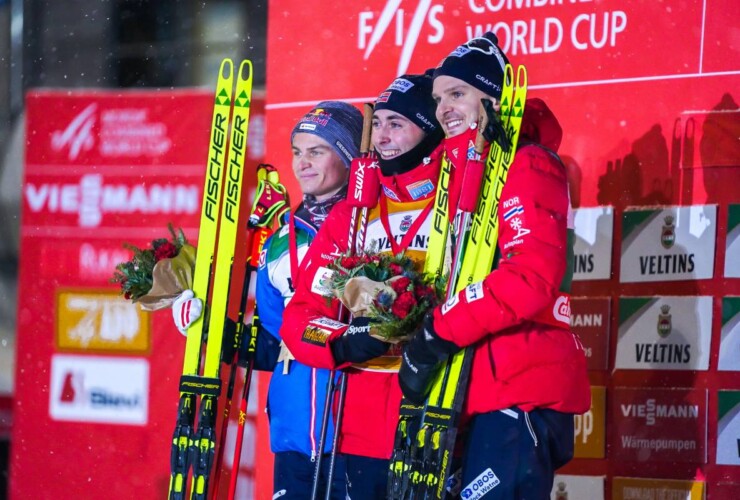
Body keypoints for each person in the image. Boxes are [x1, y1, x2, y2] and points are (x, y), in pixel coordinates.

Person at [397, 32, 591, 498]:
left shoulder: (527, 163)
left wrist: (438, 331)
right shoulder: (451, 173)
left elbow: (529, 277)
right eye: (439, 97)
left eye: (458, 93)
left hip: (517, 383)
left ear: (493, 98)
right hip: (467, 389)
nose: (443, 107)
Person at [172, 100, 363, 499]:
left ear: (349, 156)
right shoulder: (278, 241)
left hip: (353, 427)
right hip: (293, 428)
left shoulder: (371, 225)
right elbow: (273, 344)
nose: (302, 163)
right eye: (297, 152)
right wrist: (209, 329)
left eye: (317, 151)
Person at [279, 73, 444, 499]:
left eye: (397, 123)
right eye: (379, 122)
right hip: (364, 425)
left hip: (440, 413)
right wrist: (343, 340)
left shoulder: (459, 202)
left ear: (429, 129)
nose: (382, 136)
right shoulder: (353, 216)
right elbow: (300, 318)